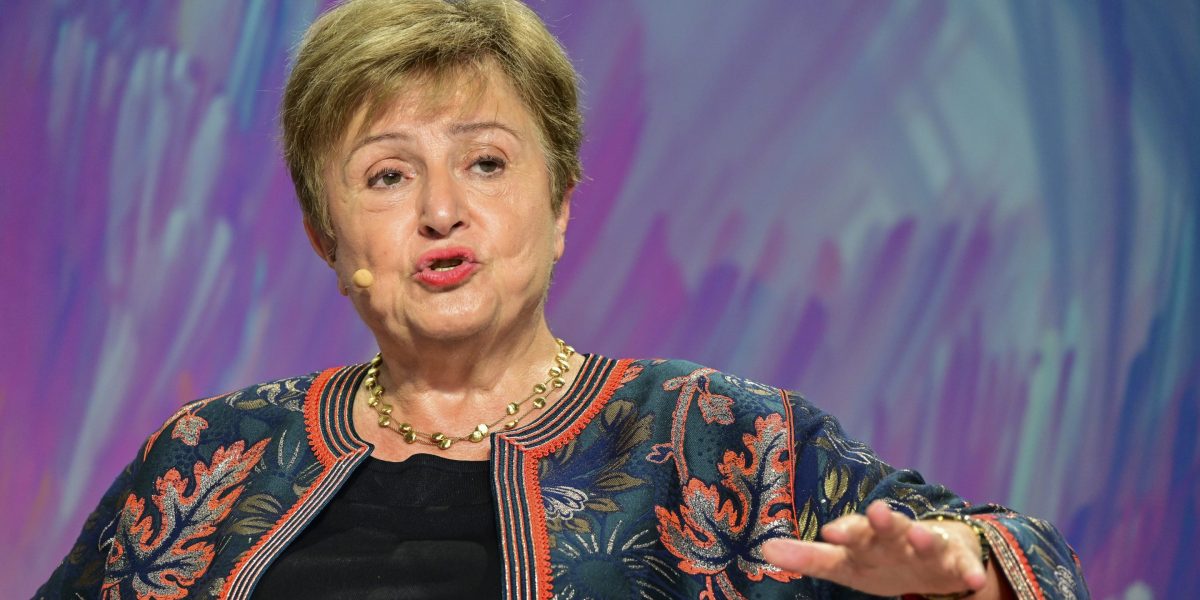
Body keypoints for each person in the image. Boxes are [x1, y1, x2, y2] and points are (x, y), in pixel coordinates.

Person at [36, 0, 1088, 598]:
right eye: (388, 175)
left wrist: (968, 573)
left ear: (560, 206)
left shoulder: (720, 437)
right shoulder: (209, 455)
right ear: (327, 237)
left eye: (487, 163)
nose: (441, 211)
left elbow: (1027, 553)